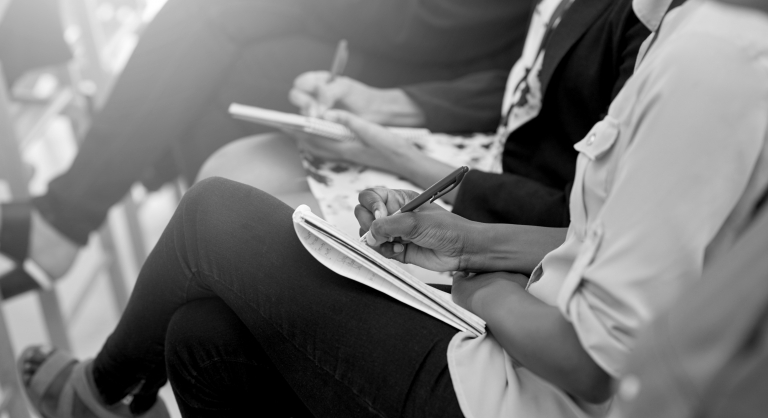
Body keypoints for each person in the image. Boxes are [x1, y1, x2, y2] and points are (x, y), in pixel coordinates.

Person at [15, 0, 768, 417]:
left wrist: (482, 284)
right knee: (202, 335)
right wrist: (466, 238)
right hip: (524, 328)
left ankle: (99, 393)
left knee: (215, 212)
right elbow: (601, 234)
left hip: (521, 392)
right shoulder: (694, 34)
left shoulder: (712, 60)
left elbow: (596, 362)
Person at [0, 0, 533, 298]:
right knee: (208, 49)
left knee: (209, 40)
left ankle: (73, 219)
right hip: (419, 36)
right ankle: (197, 296)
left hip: (445, 55)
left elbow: (450, 22)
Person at [201, 0, 651, 231]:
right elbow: (525, 81)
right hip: (490, 147)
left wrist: (404, 158)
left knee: (235, 216)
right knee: (230, 169)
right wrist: (382, 102)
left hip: (518, 198)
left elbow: (578, 214)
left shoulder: (653, 27)